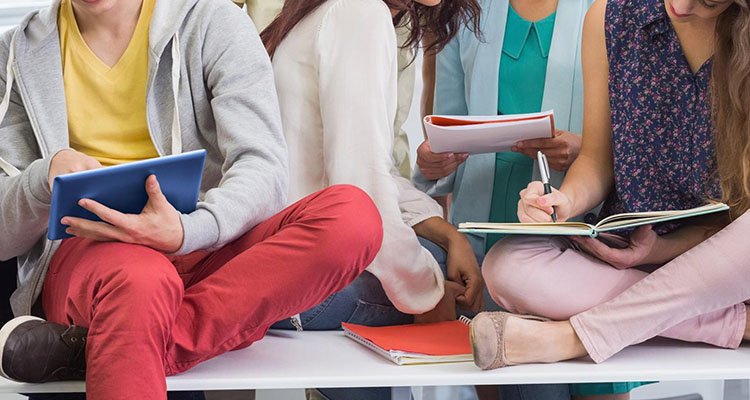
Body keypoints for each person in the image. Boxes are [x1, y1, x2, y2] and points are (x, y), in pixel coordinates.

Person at [0, 0, 383, 399]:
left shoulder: (214, 22)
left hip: (206, 244)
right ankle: (128, 334)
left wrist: (187, 229)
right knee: (142, 280)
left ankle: (116, 344)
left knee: (352, 216)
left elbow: (263, 168)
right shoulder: (13, 56)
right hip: (94, 258)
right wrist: (40, 180)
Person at [470, 0, 750, 374]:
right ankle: (736, 324)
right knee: (506, 266)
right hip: (624, 257)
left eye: (709, 1)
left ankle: (571, 338)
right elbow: (596, 160)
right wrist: (563, 201)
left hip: (725, 262)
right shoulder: (609, 17)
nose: (681, 7)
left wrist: (663, 249)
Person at [413, 0, 648, 397]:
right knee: (498, 368)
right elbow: (444, 124)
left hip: (581, 223)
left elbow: (642, 132)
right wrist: (432, 162)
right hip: (486, 225)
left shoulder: (612, 10)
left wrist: (586, 149)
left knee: (598, 376)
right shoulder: (463, 11)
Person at [262, 0, 487, 399]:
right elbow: (358, 187)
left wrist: (450, 235)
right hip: (308, 290)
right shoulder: (360, 14)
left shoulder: (326, 12)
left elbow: (369, 169)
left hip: (283, 276)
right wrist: (427, 295)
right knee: (462, 278)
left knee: (439, 257)